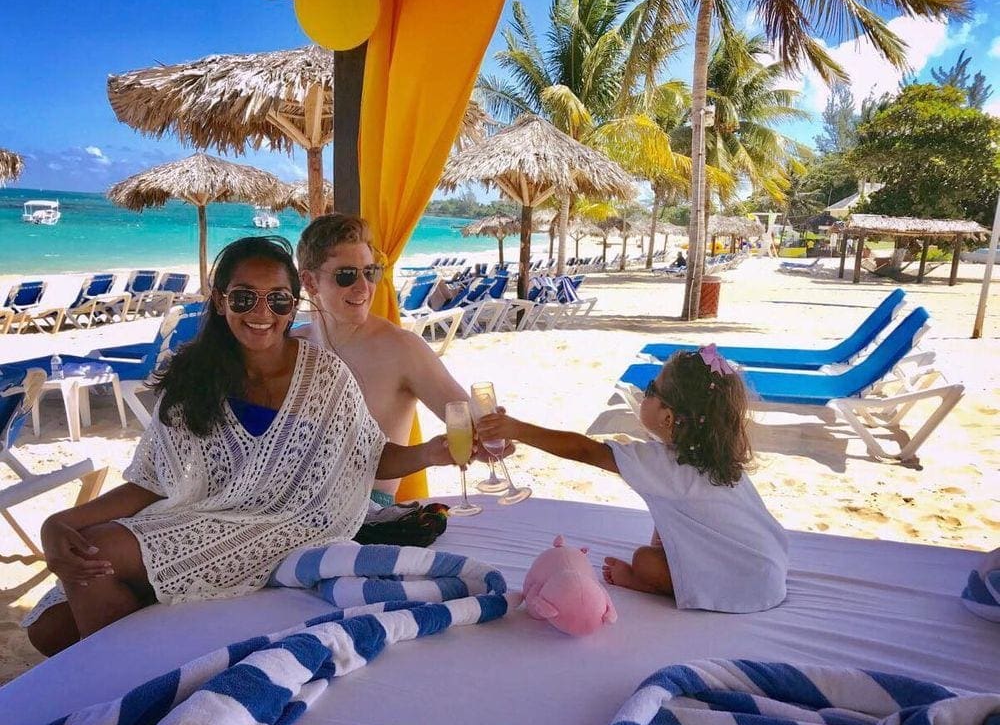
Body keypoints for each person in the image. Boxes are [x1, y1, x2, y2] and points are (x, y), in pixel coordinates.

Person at [24, 236, 454, 656]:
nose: (262, 313)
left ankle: (129, 679)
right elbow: (152, 482)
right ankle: (152, 637)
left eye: (278, 300)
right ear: (220, 300)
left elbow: (368, 454)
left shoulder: (323, 375)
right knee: (49, 632)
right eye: (245, 298)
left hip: (290, 524)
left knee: (96, 554)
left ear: (293, 305)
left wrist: (430, 453)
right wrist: (62, 521)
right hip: (199, 513)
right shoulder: (194, 376)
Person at [476, 345, 788, 613]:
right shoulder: (715, 461)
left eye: (652, 389)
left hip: (747, 589)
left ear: (668, 417)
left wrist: (518, 430)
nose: (644, 392)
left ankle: (655, 587)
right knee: (655, 552)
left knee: (645, 561)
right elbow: (682, 520)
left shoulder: (664, 465)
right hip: (767, 568)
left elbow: (585, 450)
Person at [293, 214, 478, 503]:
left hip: (368, 515)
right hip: (289, 507)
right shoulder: (294, 348)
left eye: (370, 272)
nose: (363, 287)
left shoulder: (401, 349)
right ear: (309, 281)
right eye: (346, 276)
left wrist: (497, 433)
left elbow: (467, 419)